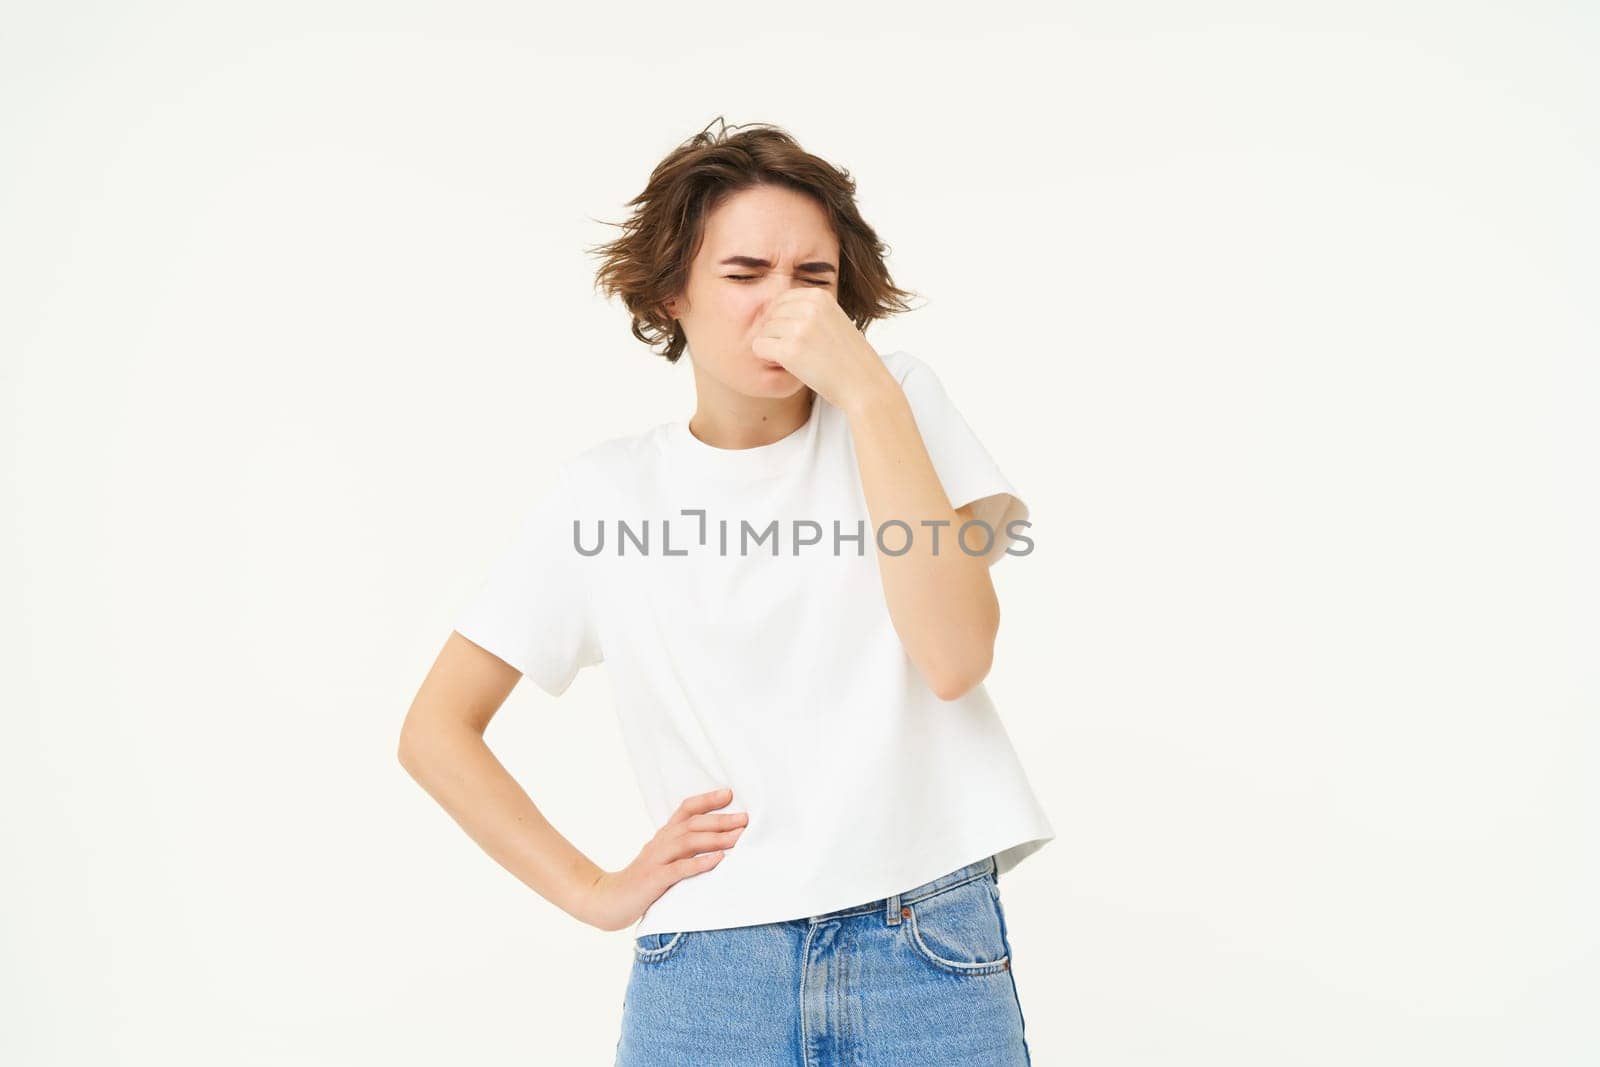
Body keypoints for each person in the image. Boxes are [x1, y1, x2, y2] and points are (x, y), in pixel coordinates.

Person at [397, 117, 1055, 1065]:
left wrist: (867, 396)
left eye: (813, 279)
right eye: (745, 275)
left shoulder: (895, 401)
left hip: (926, 945)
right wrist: (594, 889)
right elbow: (435, 729)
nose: (784, 308)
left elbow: (955, 657)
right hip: (711, 967)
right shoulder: (605, 492)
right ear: (674, 295)